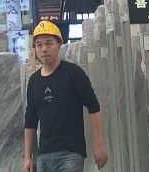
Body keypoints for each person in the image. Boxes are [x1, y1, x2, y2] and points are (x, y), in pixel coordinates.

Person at [24, 21, 108, 172]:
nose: (44, 49)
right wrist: (28, 157)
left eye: (48, 43)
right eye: (39, 45)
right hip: (44, 155)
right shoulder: (34, 81)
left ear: (59, 45)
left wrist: (99, 144)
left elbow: (94, 107)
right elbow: (30, 121)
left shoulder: (74, 73)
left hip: (71, 154)